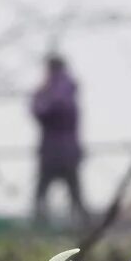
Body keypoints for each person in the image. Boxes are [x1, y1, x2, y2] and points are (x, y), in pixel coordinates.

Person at [31, 54, 88, 224]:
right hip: (69, 149)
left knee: (44, 192)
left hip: (53, 150)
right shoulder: (69, 89)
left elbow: (41, 111)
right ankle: (80, 225)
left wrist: (40, 95)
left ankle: (39, 227)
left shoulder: (52, 90)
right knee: (74, 192)